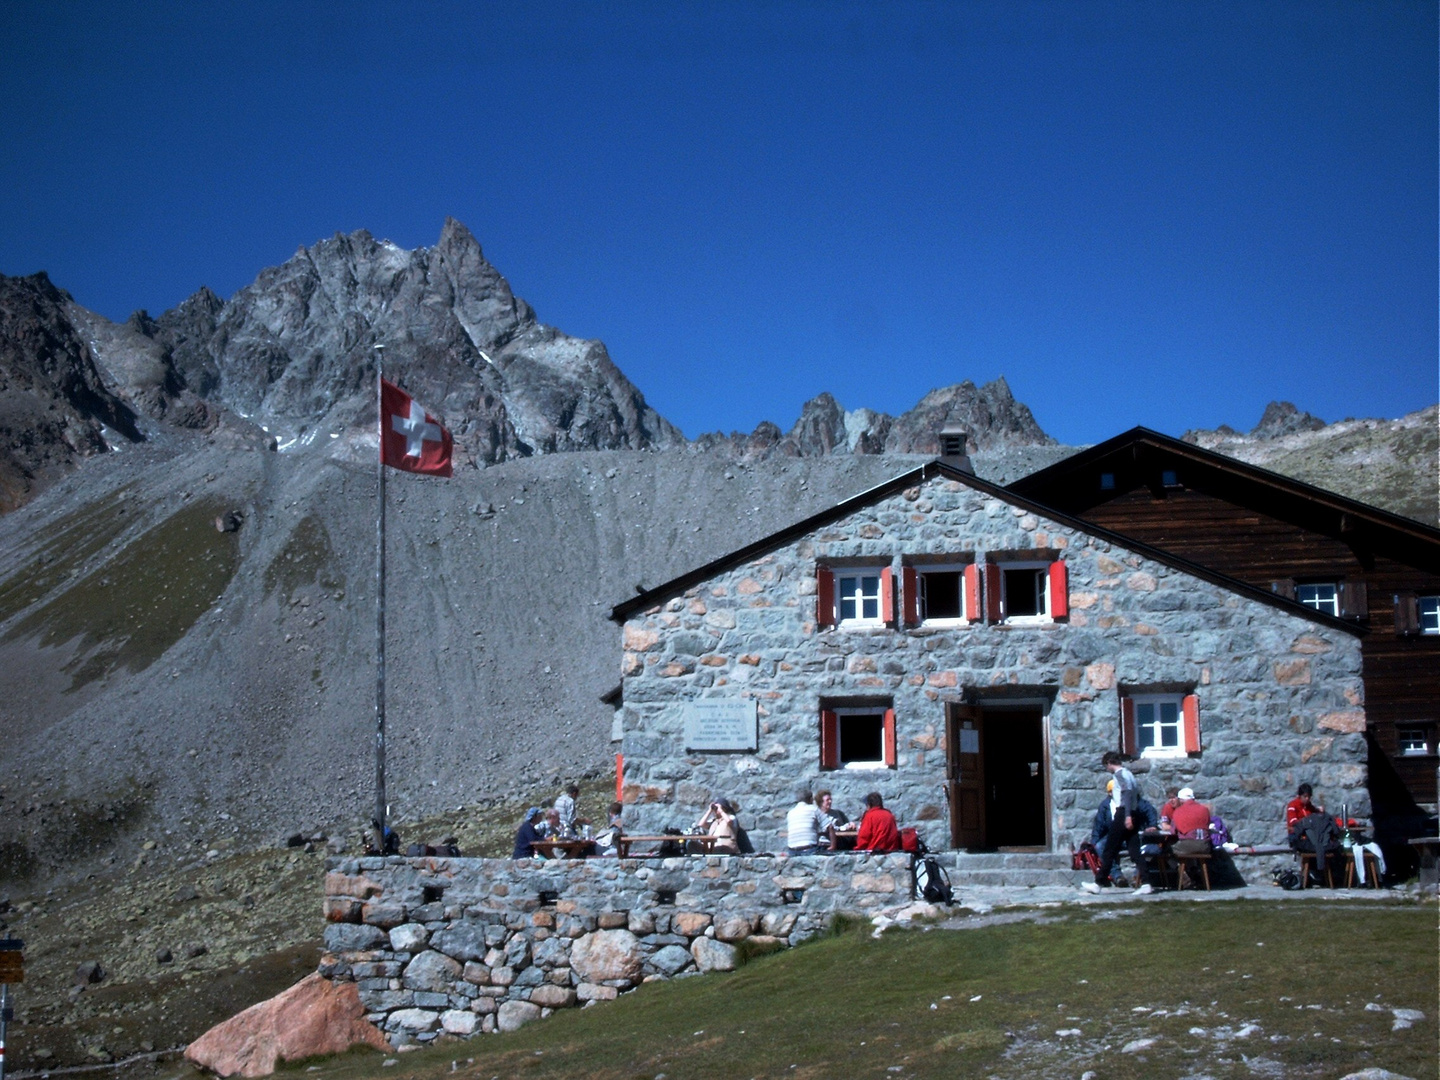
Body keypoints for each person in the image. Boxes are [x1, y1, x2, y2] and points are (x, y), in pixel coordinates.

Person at [1082, 751, 1153, 895]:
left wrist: (1126, 816)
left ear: (1109, 763)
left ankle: (1098, 883)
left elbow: (1126, 793)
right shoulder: (1130, 774)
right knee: (1134, 850)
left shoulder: (1119, 774)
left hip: (1123, 813)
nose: (1107, 769)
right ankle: (1146, 883)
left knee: (1109, 849)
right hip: (1133, 812)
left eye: (1106, 766)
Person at [785, 786, 827, 855]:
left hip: (792, 850)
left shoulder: (791, 812)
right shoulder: (813, 809)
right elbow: (829, 826)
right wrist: (832, 846)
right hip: (809, 849)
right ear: (810, 799)